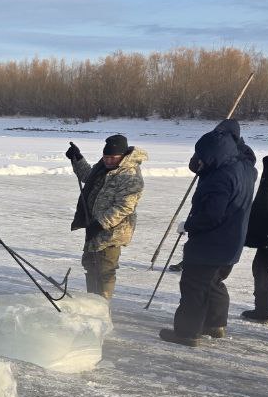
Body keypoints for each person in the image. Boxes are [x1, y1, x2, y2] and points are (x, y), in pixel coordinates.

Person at [160, 119, 256, 346]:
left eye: (201, 155)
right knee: (213, 283)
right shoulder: (244, 167)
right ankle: (215, 324)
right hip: (231, 241)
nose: (198, 160)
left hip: (211, 244)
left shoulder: (219, 178)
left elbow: (212, 215)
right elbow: (242, 157)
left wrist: (189, 225)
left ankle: (186, 333)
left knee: (194, 287)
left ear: (213, 155)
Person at [66, 133, 147, 299]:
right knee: (90, 264)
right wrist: (77, 158)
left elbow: (125, 206)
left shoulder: (129, 175)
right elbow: (89, 178)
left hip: (112, 231)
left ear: (123, 156)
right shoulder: (105, 167)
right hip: (94, 226)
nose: (109, 160)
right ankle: (93, 301)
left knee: (105, 269)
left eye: (113, 157)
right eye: (106, 157)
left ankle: (102, 306)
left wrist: (100, 224)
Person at [242, 126, 268, 322]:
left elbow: (266, 199)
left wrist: (254, 230)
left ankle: (263, 311)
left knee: (262, 265)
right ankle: (263, 310)